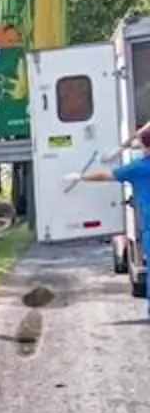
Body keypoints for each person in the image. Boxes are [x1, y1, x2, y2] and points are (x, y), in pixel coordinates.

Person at [67, 125, 150, 314]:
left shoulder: (138, 168)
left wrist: (81, 177)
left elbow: (106, 175)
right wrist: (129, 143)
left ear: (144, 147)